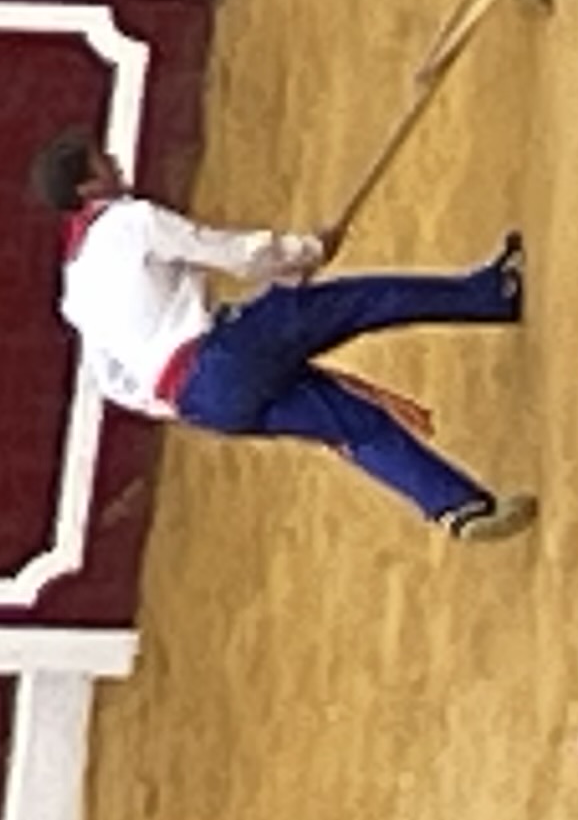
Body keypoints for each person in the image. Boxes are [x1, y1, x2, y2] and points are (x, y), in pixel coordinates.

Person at [35, 130, 533, 544]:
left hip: (201, 403)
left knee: (353, 427)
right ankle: (491, 293)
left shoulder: (74, 291)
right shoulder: (131, 220)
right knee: (360, 302)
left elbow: (115, 383)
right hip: (222, 354)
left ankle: (459, 508)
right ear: (87, 188)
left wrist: (188, 399)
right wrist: (304, 250)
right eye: (103, 162)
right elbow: (231, 253)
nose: (115, 163)